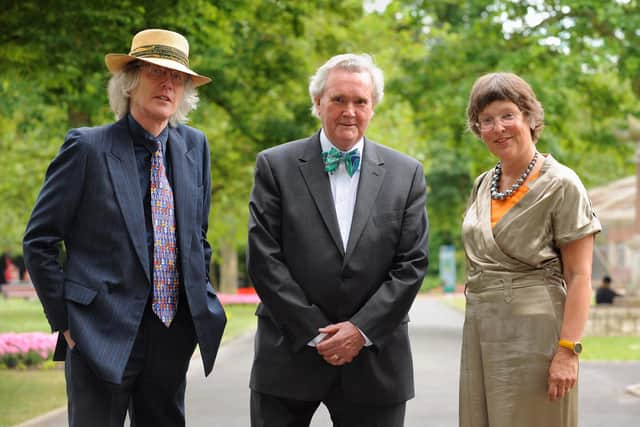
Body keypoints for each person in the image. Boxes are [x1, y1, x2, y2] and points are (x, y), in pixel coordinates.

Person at [23, 29, 226, 427]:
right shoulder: (87, 148)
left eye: (178, 77)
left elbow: (197, 236)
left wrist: (200, 301)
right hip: (99, 333)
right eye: (155, 72)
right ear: (130, 81)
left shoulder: (194, 147)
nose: (168, 84)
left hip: (172, 332)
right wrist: (65, 322)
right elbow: (40, 240)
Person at [246, 53, 429, 427]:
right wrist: (315, 332)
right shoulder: (274, 165)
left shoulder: (406, 173)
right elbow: (264, 259)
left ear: (372, 106)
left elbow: (412, 264)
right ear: (317, 103)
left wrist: (360, 332)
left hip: (376, 360)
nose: (350, 111)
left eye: (360, 101)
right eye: (338, 99)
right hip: (289, 354)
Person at [459, 72, 601, 427]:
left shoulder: (562, 183)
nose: (498, 128)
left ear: (529, 117)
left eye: (507, 115)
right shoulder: (482, 184)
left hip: (536, 335)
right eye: (486, 120)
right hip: (481, 330)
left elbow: (580, 275)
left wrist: (569, 351)